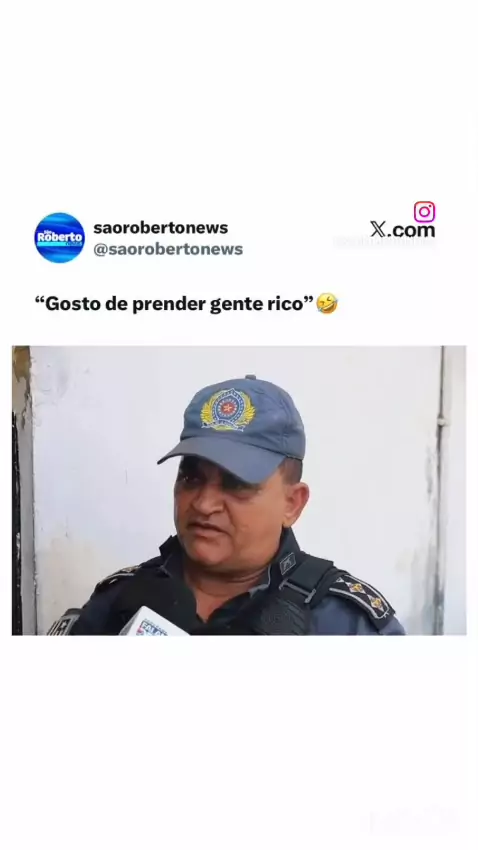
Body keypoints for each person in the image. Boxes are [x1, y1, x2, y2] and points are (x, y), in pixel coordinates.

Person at [50, 375, 405, 635]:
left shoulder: (348, 625)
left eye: (237, 485)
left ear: (292, 503)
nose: (204, 504)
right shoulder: (117, 602)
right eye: (191, 478)